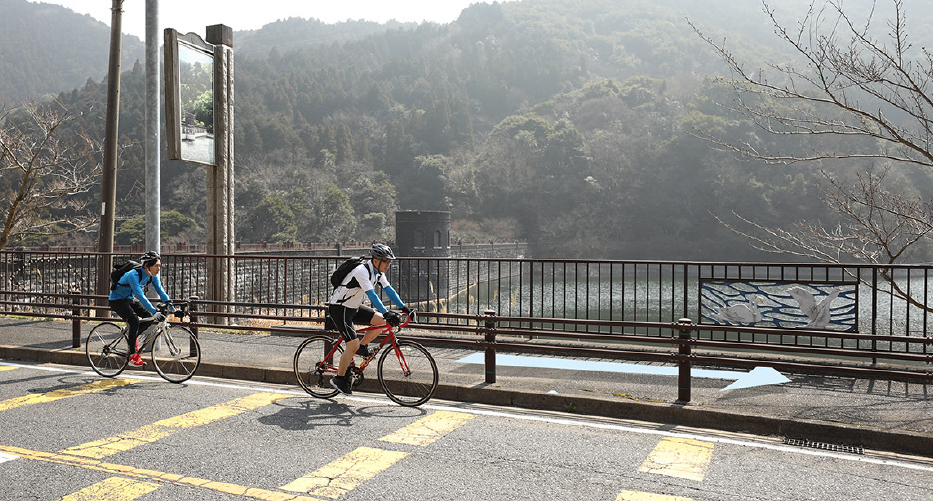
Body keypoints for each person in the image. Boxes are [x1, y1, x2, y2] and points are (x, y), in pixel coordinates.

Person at [327, 243, 414, 395]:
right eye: (386, 261)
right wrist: (387, 312)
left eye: (389, 261)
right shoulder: (361, 271)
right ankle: (339, 379)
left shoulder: (378, 273)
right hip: (339, 309)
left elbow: (389, 290)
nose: (389, 264)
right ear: (376, 261)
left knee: (381, 322)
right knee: (351, 345)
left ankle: (362, 346)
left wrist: (404, 307)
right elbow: (372, 295)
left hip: (353, 307)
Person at [108, 251, 173, 367]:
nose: (158, 269)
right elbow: (141, 296)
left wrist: (171, 307)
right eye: (156, 266)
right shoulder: (134, 275)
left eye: (160, 266)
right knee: (134, 320)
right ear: (147, 265)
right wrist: (154, 311)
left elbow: (161, 291)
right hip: (117, 300)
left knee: (148, 318)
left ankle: (131, 338)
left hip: (129, 298)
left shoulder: (153, 276)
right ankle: (132, 355)